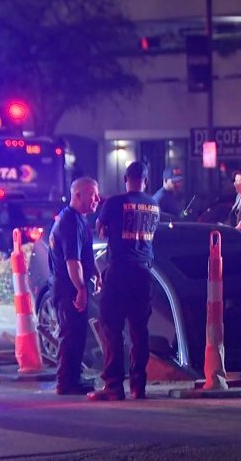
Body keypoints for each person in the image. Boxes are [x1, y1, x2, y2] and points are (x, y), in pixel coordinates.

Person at [90, 161, 160, 401]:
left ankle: (113, 386)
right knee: (139, 331)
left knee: (112, 329)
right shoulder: (153, 205)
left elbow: (101, 229)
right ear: (146, 181)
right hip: (143, 273)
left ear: (125, 178)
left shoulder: (114, 203)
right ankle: (138, 387)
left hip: (119, 272)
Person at [48, 177, 100, 395]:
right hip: (67, 287)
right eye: (92, 195)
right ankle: (66, 382)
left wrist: (95, 272)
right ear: (77, 195)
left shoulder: (77, 219)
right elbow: (72, 261)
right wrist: (80, 288)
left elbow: (84, 254)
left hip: (69, 285)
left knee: (76, 334)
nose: (97, 199)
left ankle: (72, 378)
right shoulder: (70, 222)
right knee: (71, 334)